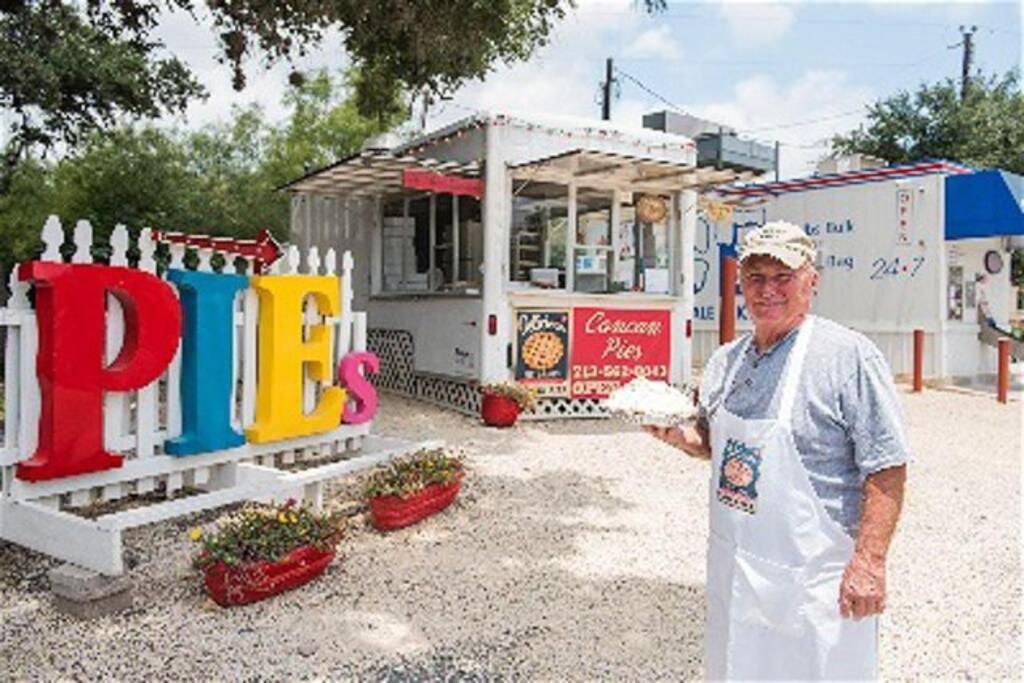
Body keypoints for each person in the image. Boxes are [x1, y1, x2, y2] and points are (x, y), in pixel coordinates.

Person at [647, 221, 908, 680]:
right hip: (736, 565)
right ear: (741, 283)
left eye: (782, 276)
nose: (768, 290)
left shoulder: (847, 358)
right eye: (756, 277)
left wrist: (869, 563)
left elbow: (886, 466)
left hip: (814, 579)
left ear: (812, 280)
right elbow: (717, 444)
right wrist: (677, 438)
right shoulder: (726, 361)